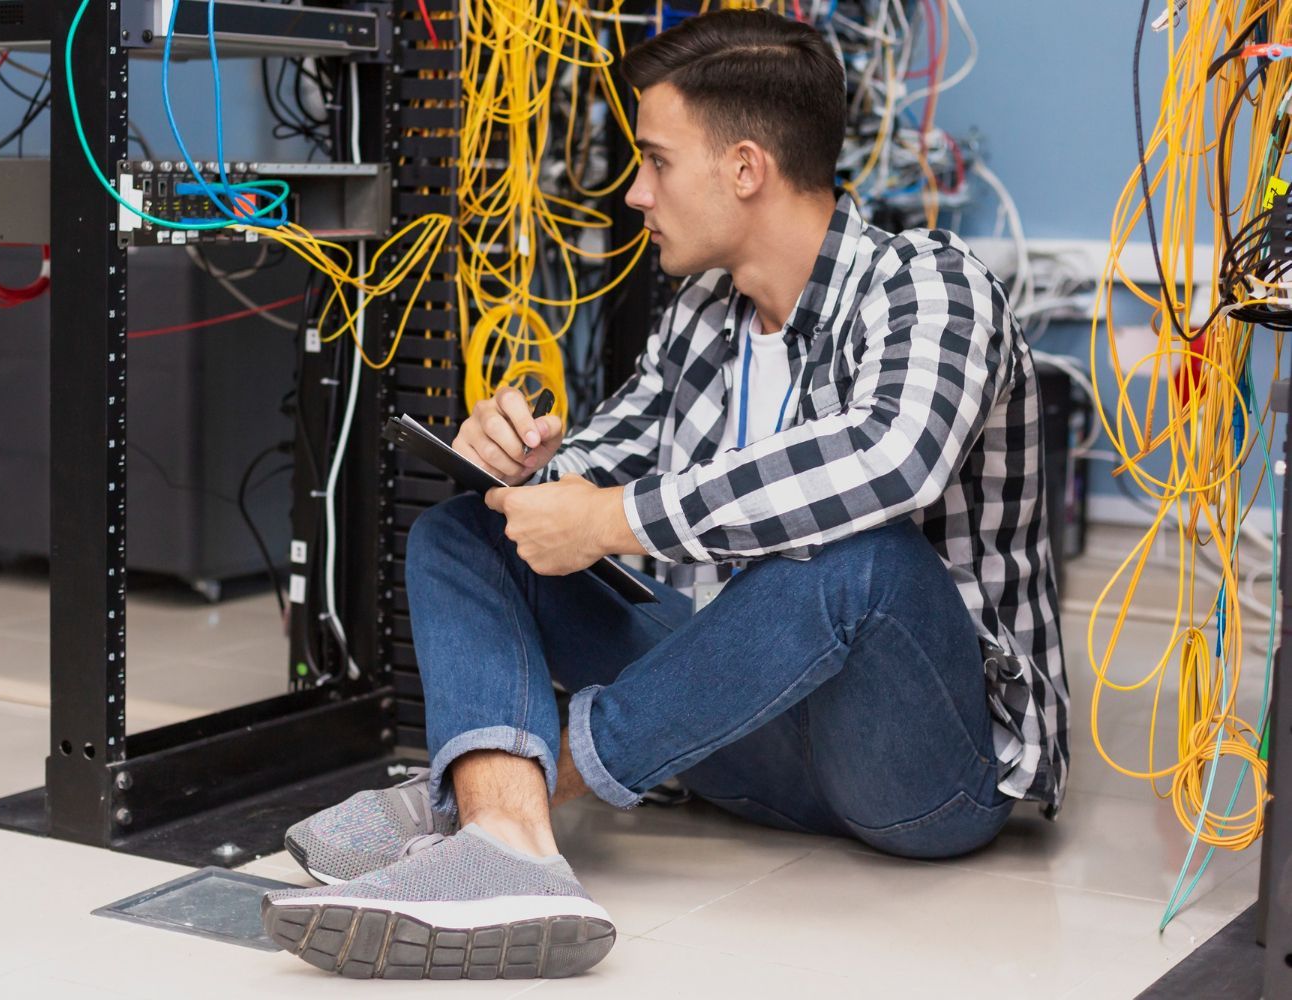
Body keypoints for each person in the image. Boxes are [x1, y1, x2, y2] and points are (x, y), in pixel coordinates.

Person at [263, 8, 1067, 981]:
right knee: (464, 533)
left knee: (862, 563)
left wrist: (615, 517)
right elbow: (612, 450)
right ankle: (506, 847)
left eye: (655, 161)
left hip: (920, 771)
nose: (637, 192)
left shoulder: (931, 288)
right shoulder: (703, 311)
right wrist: (522, 471)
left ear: (744, 169)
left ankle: (481, 798)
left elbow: (889, 458)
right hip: (735, 731)